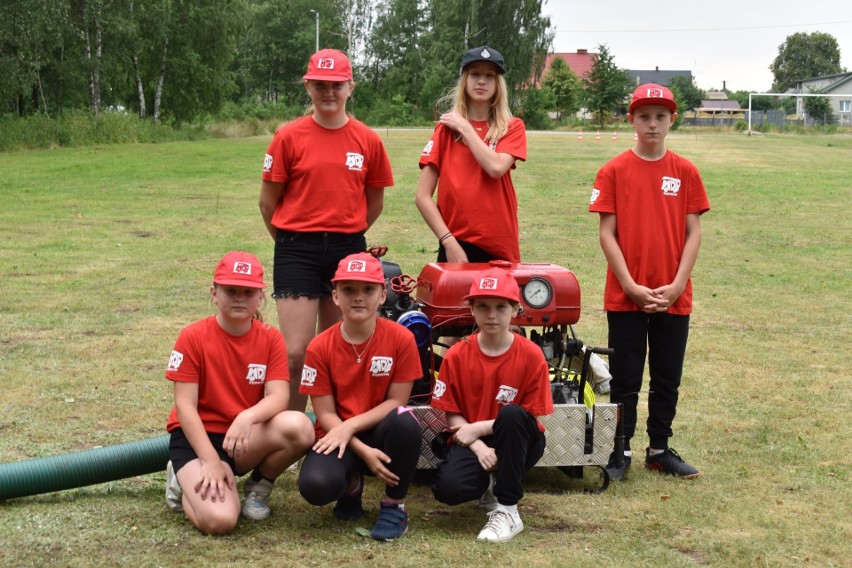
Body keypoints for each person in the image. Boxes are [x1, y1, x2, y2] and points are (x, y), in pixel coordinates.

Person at [259, 48, 394, 412]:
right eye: (320, 84)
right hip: (295, 251)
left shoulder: (368, 140)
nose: (328, 92)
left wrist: (345, 233)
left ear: (351, 86)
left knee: (341, 348)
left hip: (347, 251)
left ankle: (337, 435)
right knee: (296, 352)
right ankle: (292, 435)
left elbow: (374, 203)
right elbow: (267, 203)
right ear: (308, 87)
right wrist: (291, 242)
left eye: (336, 84)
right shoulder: (288, 137)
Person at [589, 83, 710, 479]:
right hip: (627, 296)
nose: (652, 124)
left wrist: (676, 285)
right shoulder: (613, 171)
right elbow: (607, 233)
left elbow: (694, 232)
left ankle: (658, 448)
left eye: (660, 116)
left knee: (666, 377)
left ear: (672, 119)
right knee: (625, 377)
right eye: (644, 116)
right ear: (632, 120)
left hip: (673, 295)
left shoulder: (685, 171)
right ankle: (618, 450)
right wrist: (629, 285)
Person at [164, 251, 315, 535]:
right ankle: (183, 483)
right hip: (198, 440)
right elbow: (185, 407)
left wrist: (247, 417)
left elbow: (280, 396)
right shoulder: (192, 336)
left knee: (301, 427)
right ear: (214, 293)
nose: (238, 298)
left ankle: (259, 486)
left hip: (242, 437)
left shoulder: (270, 338)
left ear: (260, 297)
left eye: (247, 292)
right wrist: (209, 460)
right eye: (230, 290)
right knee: (221, 522)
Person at [297, 252, 423, 541]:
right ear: (335, 297)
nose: (358, 297)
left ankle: (394, 506)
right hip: (336, 431)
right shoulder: (319, 347)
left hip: (377, 429)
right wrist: (361, 450)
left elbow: (396, 402)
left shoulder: (401, 338)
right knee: (315, 486)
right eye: (348, 289)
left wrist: (351, 426)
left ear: (382, 295)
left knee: (405, 421)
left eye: (368, 289)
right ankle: (350, 485)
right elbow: (325, 414)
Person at [430, 267, 554, 543]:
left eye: (501, 307)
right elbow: (452, 413)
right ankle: (489, 484)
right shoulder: (457, 355)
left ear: (515, 310)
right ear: (471, 309)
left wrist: (478, 428)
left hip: (519, 440)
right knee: (448, 490)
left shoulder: (532, 355)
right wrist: (478, 445)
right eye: (483, 306)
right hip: (473, 440)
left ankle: (508, 510)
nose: (492, 315)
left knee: (510, 415)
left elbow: (530, 414)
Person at [415, 45, 527, 263]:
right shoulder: (445, 130)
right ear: (465, 80)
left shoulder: (512, 128)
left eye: (489, 76)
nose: (481, 81)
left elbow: (495, 168)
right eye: (475, 74)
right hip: (456, 245)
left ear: (498, 84)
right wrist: (448, 242)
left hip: (499, 246)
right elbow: (422, 197)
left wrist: (465, 128)